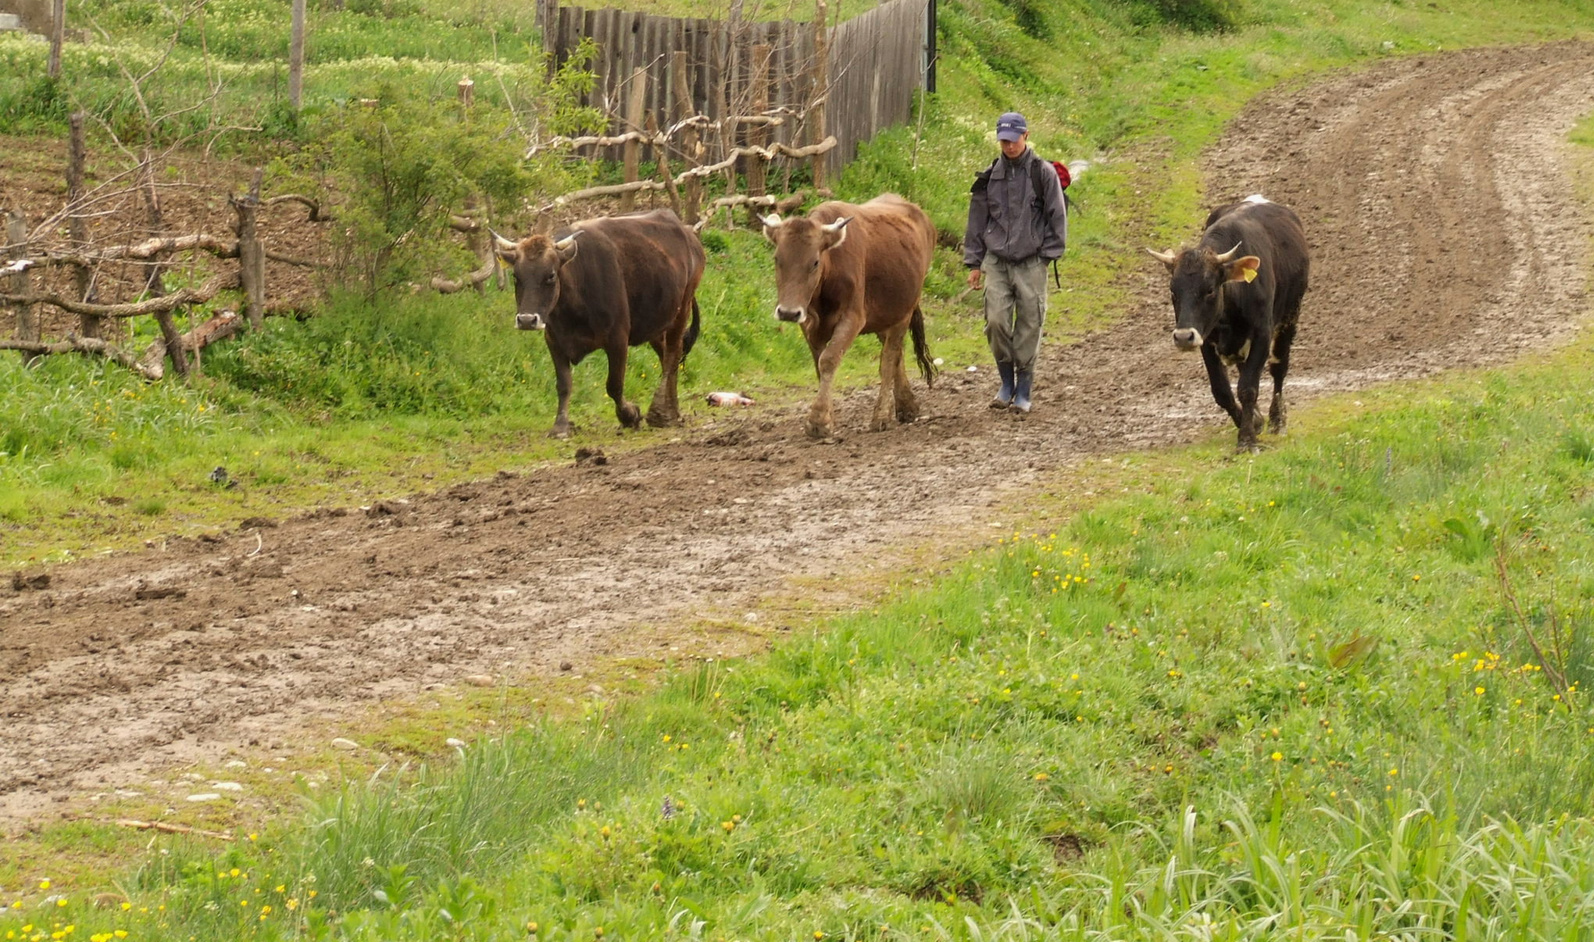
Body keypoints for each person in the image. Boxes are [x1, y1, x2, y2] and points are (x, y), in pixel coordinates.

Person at [963, 111, 1068, 413]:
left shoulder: (1042, 173)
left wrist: (1048, 254)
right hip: (996, 261)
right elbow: (977, 221)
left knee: (1029, 325)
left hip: (1032, 261)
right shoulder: (989, 176)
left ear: (1026, 136)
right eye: (1003, 141)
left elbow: (1056, 216)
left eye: (1013, 140)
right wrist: (974, 263)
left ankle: (1023, 389)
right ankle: (1005, 382)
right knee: (995, 321)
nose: (1008, 146)